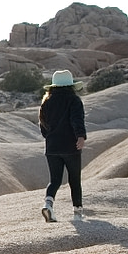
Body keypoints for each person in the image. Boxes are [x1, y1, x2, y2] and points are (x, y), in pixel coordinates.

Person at [39, 69, 87, 222]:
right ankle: (77, 213)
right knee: (74, 179)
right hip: (70, 146)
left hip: (52, 147)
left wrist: (51, 138)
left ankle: (48, 205)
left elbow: (43, 126)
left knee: (55, 180)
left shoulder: (46, 102)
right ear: (71, 86)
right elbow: (76, 120)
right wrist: (80, 136)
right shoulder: (74, 100)